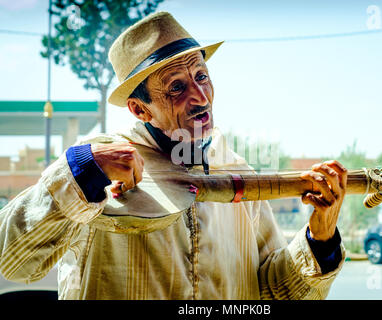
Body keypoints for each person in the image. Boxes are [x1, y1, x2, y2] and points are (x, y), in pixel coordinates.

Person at [0, 12, 347, 300]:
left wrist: (321, 238)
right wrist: (83, 171)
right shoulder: (99, 170)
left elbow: (274, 292)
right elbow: (13, 260)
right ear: (139, 110)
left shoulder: (237, 170)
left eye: (201, 77)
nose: (200, 97)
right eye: (177, 86)